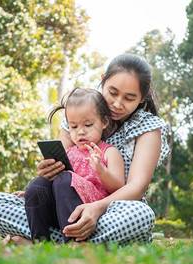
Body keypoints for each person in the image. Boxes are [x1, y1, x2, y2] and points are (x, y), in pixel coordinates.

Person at [0, 53, 171, 245]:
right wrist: (42, 181)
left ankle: (44, 242)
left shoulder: (148, 128)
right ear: (102, 81)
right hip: (63, 209)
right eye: (112, 93)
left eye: (129, 98)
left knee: (140, 216)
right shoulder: (79, 115)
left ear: (143, 97)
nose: (117, 103)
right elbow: (61, 172)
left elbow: (136, 188)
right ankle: (70, 242)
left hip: (111, 213)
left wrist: (96, 209)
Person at [24, 87, 125, 243]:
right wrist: (30, 192)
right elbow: (53, 186)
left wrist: (101, 170)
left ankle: (73, 242)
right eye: (74, 127)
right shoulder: (68, 153)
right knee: (37, 184)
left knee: (65, 179)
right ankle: (40, 242)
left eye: (88, 125)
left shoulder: (109, 152)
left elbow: (119, 187)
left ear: (104, 121)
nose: (81, 132)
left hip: (90, 211)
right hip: (60, 211)